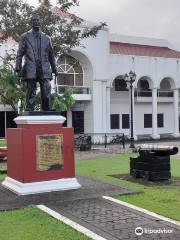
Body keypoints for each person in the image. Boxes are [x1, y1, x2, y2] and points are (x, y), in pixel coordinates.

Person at [15, 14, 57, 111]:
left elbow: (51, 55)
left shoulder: (47, 38)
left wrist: (54, 69)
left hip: (44, 67)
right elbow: (20, 53)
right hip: (31, 66)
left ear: (40, 22)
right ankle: (30, 108)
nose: (36, 22)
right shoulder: (25, 36)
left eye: (38, 20)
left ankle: (46, 108)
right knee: (31, 89)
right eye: (34, 20)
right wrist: (18, 67)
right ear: (31, 23)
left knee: (46, 88)